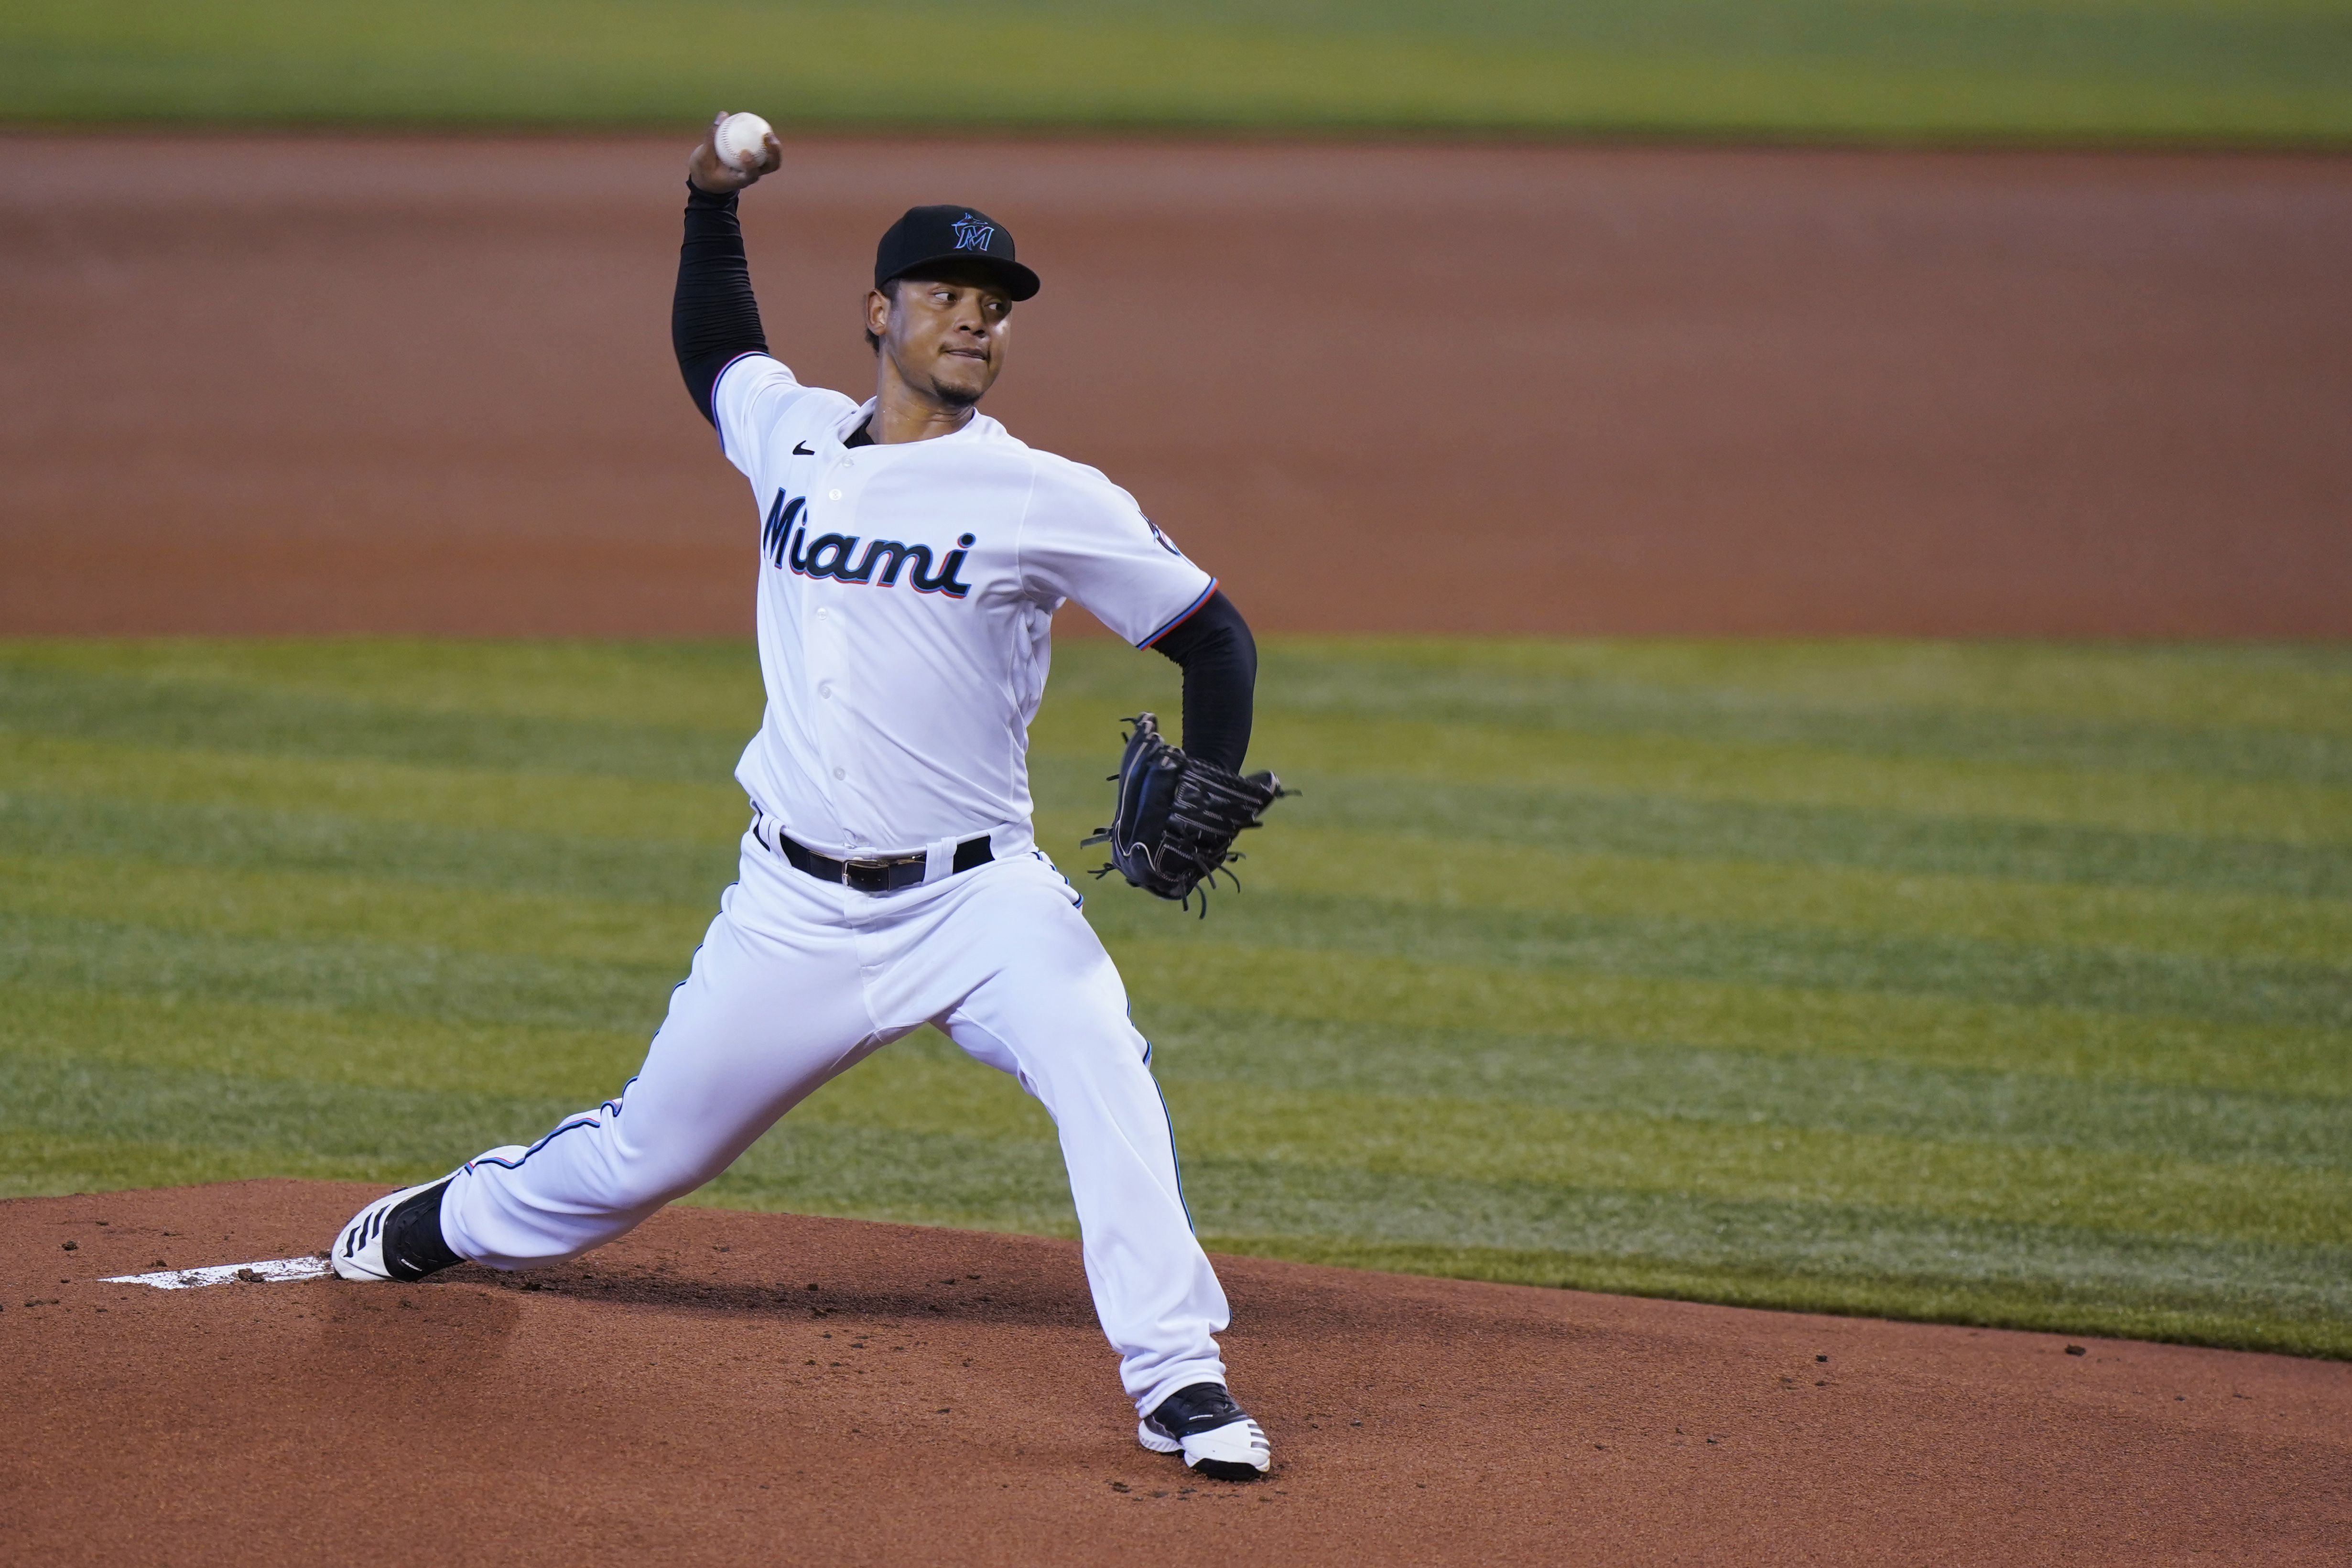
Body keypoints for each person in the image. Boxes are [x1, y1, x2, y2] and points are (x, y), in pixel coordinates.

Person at [326, 115, 1272, 1482]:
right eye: (945, 295)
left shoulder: (1037, 493)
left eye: (993, 305)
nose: (973, 320)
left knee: (1099, 1060)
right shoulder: (794, 441)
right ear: (878, 313)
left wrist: (1212, 778)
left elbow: (1211, 631)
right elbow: (716, 350)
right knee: (645, 1156)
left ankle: (1178, 1377)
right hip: (790, 909)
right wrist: (709, 199)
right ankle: (458, 1217)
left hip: (977, 895)